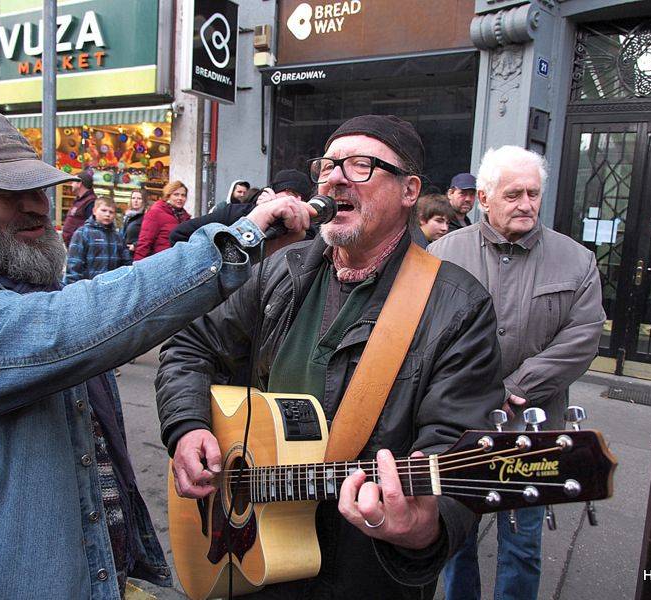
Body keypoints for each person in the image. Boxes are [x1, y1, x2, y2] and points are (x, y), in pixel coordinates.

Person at [0, 106, 315, 599]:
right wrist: (239, 239)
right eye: (5, 190)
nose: (35, 204)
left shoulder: (24, 292)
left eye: (37, 187)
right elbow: (71, 326)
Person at [155, 115, 506, 599]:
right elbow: (190, 344)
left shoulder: (457, 306)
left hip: (362, 576)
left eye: (361, 165)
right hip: (252, 558)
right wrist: (188, 426)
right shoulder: (278, 268)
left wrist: (423, 525)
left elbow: (457, 449)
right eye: (328, 165)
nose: (335, 177)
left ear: (410, 191)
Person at [430, 145, 606, 600]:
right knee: (456, 540)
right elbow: (420, 335)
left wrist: (512, 389)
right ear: (484, 198)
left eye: (533, 193)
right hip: (456, 426)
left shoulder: (576, 261)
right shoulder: (441, 255)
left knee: (523, 543)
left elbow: (581, 339)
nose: (526, 204)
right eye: (514, 194)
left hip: (535, 427)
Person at [170, 169, 314, 245]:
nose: (297, 200)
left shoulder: (309, 232)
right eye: (290, 193)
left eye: (303, 197)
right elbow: (180, 235)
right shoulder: (234, 213)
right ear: (271, 192)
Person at [65, 196, 132, 285]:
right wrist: (73, 288)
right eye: (103, 210)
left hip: (112, 287)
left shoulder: (117, 237)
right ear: (94, 211)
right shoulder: (82, 233)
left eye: (111, 212)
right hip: (89, 287)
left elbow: (126, 263)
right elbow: (74, 264)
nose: (107, 214)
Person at [132, 180, 190, 260]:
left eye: (183, 195)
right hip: (159, 262)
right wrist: (137, 266)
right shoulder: (156, 213)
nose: (180, 198)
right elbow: (145, 242)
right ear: (168, 196)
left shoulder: (185, 217)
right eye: (176, 194)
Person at [62, 169, 97, 246]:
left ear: (79, 183)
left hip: (80, 246)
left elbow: (92, 227)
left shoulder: (91, 202)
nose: (71, 184)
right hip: (74, 244)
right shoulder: (80, 200)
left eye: (73, 182)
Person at [120, 188, 147, 255]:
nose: (135, 201)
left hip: (135, 253)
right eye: (133, 198)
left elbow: (148, 236)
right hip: (124, 252)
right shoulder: (127, 216)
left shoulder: (145, 217)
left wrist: (135, 245)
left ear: (144, 201)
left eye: (139, 198)